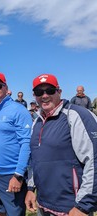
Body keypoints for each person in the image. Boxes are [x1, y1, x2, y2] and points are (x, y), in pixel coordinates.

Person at [25, 74, 97, 216]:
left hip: (72, 208)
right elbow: (35, 159)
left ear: (59, 92)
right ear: (34, 95)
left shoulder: (76, 115)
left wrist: (83, 206)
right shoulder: (37, 122)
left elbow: (94, 160)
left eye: (50, 90)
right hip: (43, 205)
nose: (44, 96)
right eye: (39, 92)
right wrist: (31, 188)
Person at [0, 72, 32, 216]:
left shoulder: (18, 110)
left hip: (10, 174)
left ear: (6, 87)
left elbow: (26, 143)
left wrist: (18, 175)